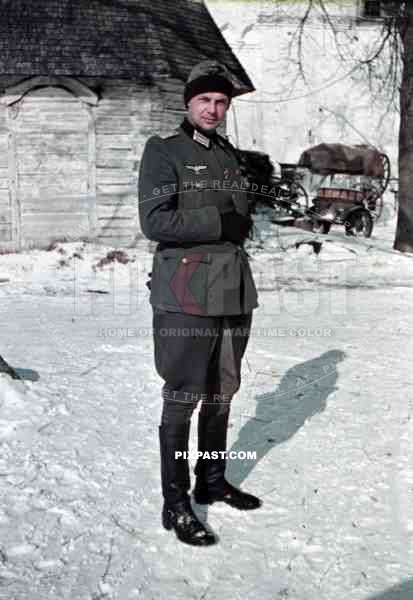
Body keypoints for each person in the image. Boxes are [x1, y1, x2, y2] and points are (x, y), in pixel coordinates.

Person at [138, 60, 262, 547]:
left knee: (221, 392)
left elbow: (241, 219)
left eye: (221, 102)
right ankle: (175, 502)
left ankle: (211, 480)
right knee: (184, 395)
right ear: (188, 103)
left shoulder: (229, 155)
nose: (213, 109)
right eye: (205, 100)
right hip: (186, 294)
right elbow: (156, 222)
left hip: (233, 292)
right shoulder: (164, 151)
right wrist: (219, 223)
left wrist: (240, 227)